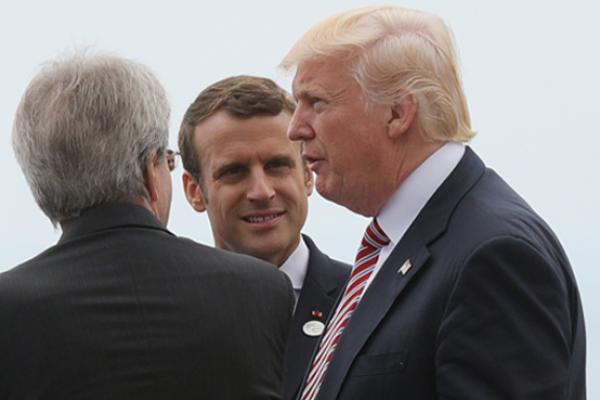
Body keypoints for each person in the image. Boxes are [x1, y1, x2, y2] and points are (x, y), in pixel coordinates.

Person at [281, 6, 586, 400]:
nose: (295, 128)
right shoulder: (401, 242)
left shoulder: (494, 254)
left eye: (317, 102)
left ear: (398, 113)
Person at [2, 52, 294, 400]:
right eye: (167, 161)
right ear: (149, 172)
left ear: (41, 185)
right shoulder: (264, 290)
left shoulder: (10, 310)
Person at [178, 75, 350, 400]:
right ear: (194, 191)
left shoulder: (370, 299)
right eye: (234, 171)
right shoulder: (168, 321)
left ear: (307, 176)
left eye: (277, 165)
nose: (262, 191)